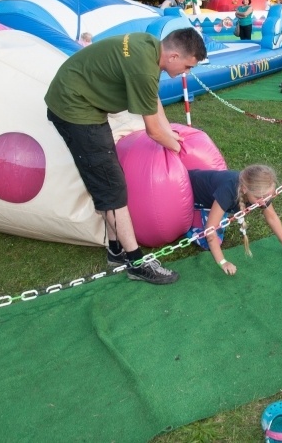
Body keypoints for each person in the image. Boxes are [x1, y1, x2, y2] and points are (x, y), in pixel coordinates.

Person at [45, 28, 207, 284]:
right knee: (112, 186)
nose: (187, 73)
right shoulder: (143, 67)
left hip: (82, 103)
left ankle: (116, 251)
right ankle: (136, 262)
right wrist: (179, 150)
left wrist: (171, 133)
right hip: (74, 109)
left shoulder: (150, 47)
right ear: (174, 56)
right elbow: (153, 131)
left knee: (107, 178)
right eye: (188, 66)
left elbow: (152, 98)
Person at [188, 165, 282, 275]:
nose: (264, 201)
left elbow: (272, 216)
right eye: (259, 197)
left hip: (211, 201)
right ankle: (188, 229)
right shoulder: (228, 191)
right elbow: (210, 230)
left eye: (269, 195)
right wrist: (223, 262)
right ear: (244, 189)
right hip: (189, 192)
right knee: (208, 241)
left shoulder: (261, 193)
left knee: (214, 239)